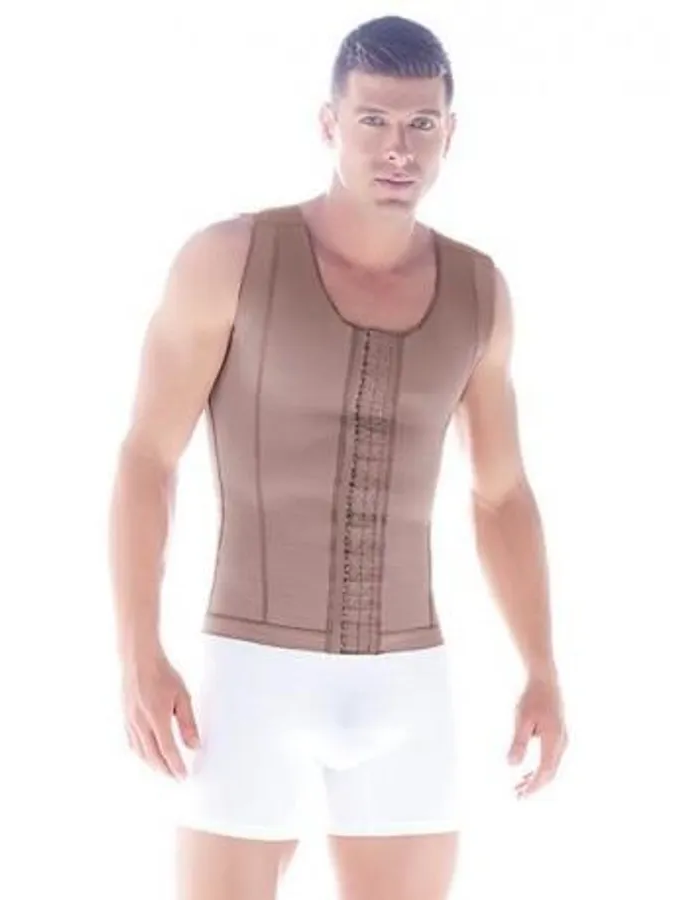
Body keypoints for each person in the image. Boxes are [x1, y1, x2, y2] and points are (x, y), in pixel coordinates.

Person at [109, 14, 568, 900]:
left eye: (421, 124)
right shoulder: (230, 260)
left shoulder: (479, 292)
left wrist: (542, 668)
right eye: (374, 121)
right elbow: (147, 459)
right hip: (250, 677)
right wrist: (137, 651)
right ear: (330, 124)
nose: (399, 148)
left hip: (409, 687)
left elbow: (502, 493)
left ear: (449, 133)